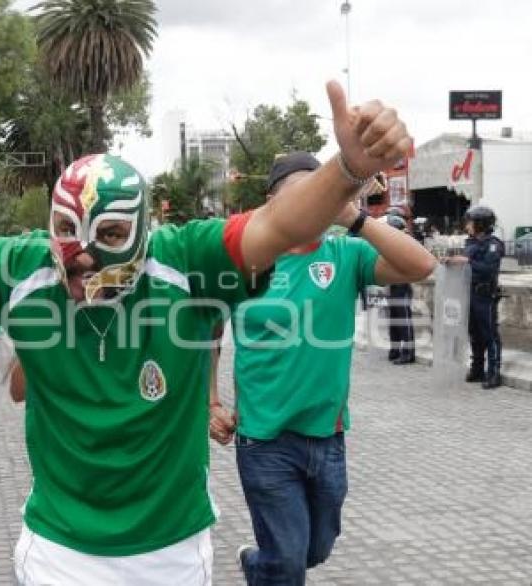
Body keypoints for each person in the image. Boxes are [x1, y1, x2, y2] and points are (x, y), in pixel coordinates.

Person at [0, 81, 413, 585]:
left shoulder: (187, 261)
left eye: (107, 235)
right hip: (60, 552)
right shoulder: (21, 266)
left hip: (171, 550)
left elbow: (278, 226)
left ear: (140, 230)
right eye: (64, 227)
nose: (78, 253)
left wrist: (347, 172)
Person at [208, 152, 435, 586]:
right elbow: (207, 331)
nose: (310, 205)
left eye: (319, 193)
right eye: (299, 195)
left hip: (327, 436)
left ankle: (260, 564)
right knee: (291, 562)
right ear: (271, 200)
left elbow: (421, 265)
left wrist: (354, 217)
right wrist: (211, 401)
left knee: (316, 548)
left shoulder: (345, 254)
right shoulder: (245, 261)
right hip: (263, 438)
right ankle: (272, 566)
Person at [446, 206, 504, 389]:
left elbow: (488, 270)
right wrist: (452, 262)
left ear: (481, 224)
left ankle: (494, 373)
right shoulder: (470, 243)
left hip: (485, 295)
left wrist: (467, 262)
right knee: (474, 333)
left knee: (489, 334)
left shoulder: (493, 244)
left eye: (470, 222)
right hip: (469, 293)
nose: (467, 226)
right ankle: (477, 368)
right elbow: (465, 266)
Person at [384, 214, 416, 364]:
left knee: (404, 321)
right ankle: (395, 349)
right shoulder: (392, 244)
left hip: (402, 285)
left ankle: (408, 352)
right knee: (394, 321)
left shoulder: (406, 244)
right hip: (393, 285)